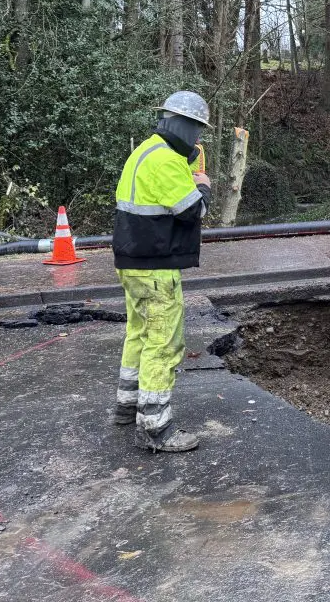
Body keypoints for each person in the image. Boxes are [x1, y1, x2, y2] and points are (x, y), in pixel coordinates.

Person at [111, 91, 212, 453]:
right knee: (164, 342)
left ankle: (127, 406)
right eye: (198, 131)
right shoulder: (167, 161)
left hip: (133, 261)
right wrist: (202, 186)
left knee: (139, 333)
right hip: (155, 265)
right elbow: (190, 211)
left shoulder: (145, 152)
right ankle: (155, 427)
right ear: (184, 125)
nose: (198, 139)